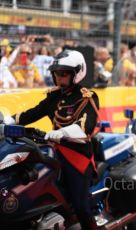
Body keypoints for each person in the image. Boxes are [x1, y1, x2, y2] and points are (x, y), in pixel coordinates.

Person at [11, 50, 99, 229]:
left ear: (77, 72)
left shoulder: (87, 97)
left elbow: (85, 128)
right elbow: (31, 114)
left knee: (80, 204)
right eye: (57, 73)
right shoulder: (53, 96)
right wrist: (8, 120)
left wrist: (62, 133)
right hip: (54, 150)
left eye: (64, 73)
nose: (59, 78)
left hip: (76, 156)